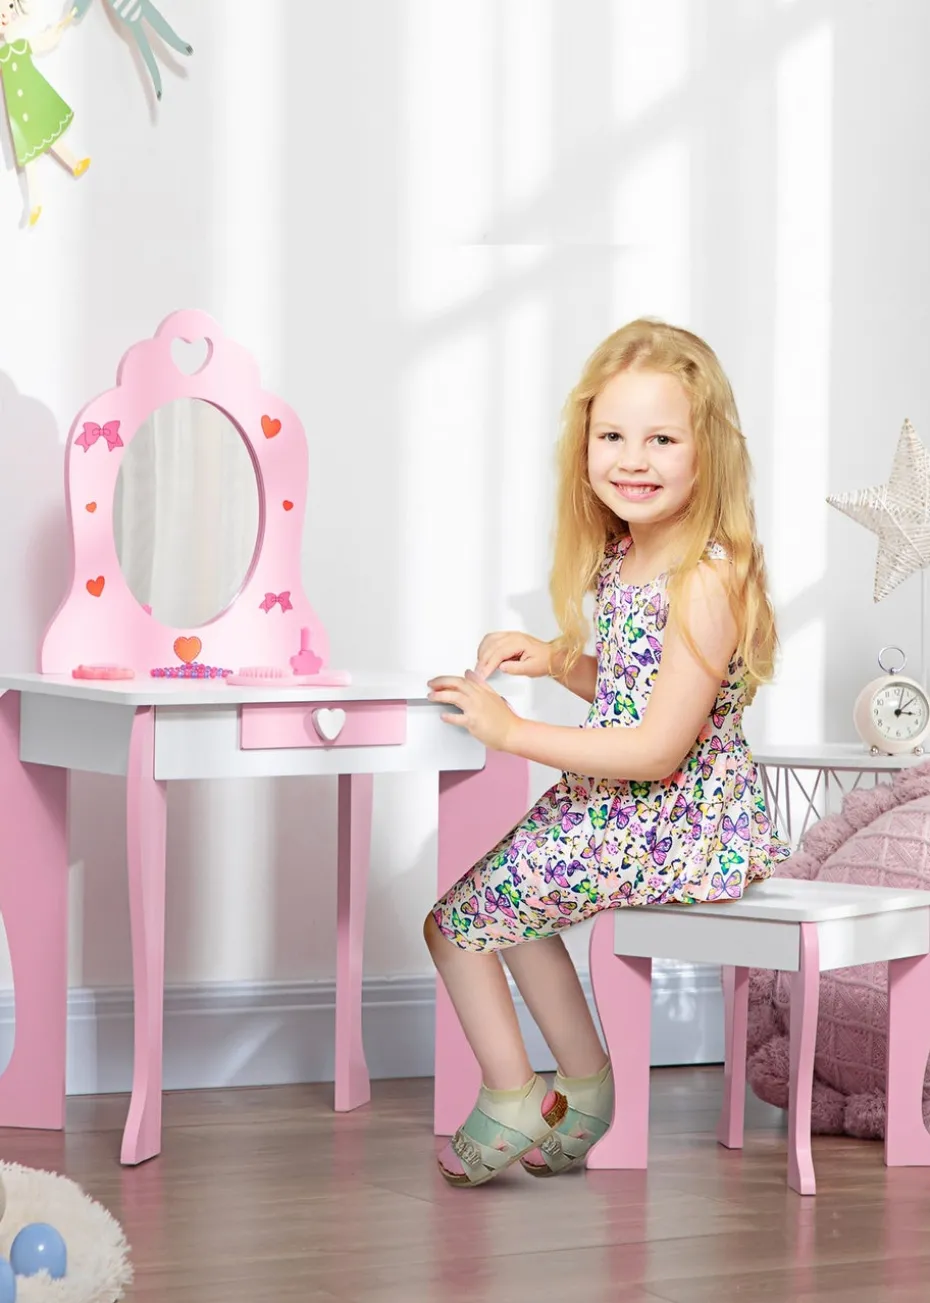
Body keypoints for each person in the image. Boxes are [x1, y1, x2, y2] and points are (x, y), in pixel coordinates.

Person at [425, 318, 790, 1188]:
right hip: (627, 801)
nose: (634, 459)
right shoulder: (627, 554)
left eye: (662, 439)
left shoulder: (705, 577)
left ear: (707, 453)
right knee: (504, 909)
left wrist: (510, 731)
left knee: (455, 925)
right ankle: (585, 1092)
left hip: (672, 818)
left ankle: (515, 1092)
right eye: (613, 436)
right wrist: (557, 660)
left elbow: (659, 747)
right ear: (584, 446)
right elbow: (640, 691)